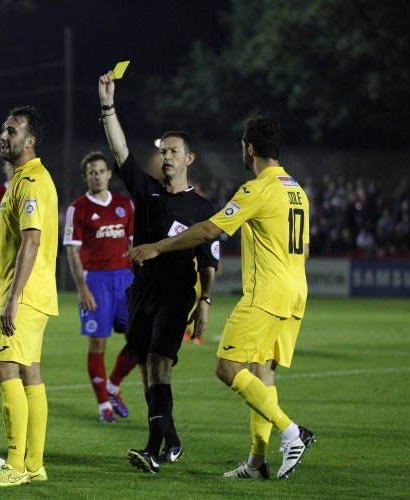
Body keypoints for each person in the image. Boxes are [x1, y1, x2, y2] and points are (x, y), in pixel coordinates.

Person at [125, 116, 314, 480]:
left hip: (266, 293)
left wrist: (156, 247)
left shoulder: (258, 188)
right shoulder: (297, 190)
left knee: (226, 367)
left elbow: (210, 228)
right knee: (262, 373)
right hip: (295, 292)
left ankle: (292, 433)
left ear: (250, 148)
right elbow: (304, 249)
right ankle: (258, 461)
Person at [98, 72, 219, 473]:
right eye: (163, 151)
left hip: (176, 293)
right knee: (148, 374)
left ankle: (151, 451)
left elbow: (209, 260)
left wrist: (204, 302)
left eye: (173, 151)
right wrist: (108, 105)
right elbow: (119, 148)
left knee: (158, 365)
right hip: (141, 292)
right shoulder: (145, 189)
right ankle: (172, 441)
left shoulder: (202, 210)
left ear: (189, 159)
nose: (165, 156)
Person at [0, 106, 58, 487]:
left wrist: (12, 299)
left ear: (29, 142)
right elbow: (15, 244)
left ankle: (15, 465)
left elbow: (32, 241)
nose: (3, 135)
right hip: (26, 291)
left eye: (11, 131)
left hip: (25, 297)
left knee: (4, 369)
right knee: (30, 373)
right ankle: (34, 463)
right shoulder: (23, 180)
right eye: (3, 128)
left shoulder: (30, 183)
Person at [63, 150, 137, 423]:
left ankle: (113, 385)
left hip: (126, 280)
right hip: (95, 281)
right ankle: (104, 406)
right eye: (92, 172)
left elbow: (132, 246)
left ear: (108, 174)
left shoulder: (125, 205)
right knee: (98, 344)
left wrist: (139, 279)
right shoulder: (77, 208)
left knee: (139, 340)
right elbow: (72, 252)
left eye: (101, 171)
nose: (97, 175)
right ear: (86, 177)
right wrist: (82, 288)